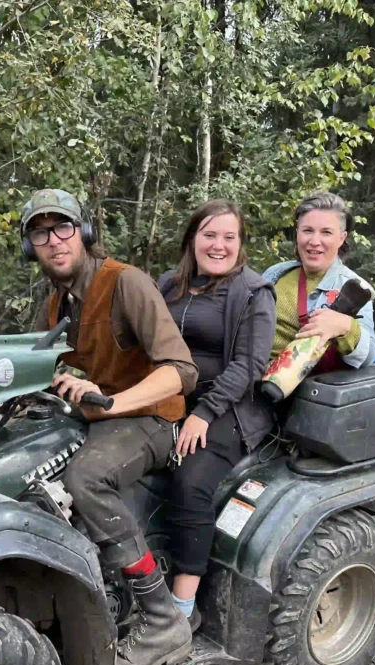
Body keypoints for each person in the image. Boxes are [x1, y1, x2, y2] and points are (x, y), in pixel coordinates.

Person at [25, 188, 197, 665]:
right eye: (41, 233)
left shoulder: (126, 284)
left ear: (84, 233)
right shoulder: (56, 305)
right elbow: (42, 369)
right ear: (30, 247)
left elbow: (181, 370)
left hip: (153, 420)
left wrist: (113, 402)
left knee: (86, 478)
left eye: (62, 228)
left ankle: (163, 618)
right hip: (99, 418)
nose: (54, 241)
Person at [157, 200, 277, 630]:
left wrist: (203, 414)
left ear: (241, 243)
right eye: (209, 235)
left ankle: (182, 609)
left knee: (190, 481)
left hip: (230, 407)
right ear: (193, 238)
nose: (218, 245)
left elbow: (249, 366)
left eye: (229, 237)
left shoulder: (252, 292)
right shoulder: (169, 284)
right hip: (168, 397)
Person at [262, 191, 375, 375]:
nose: (315, 241)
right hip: (252, 377)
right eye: (307, 230)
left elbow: (368, 355)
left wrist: (346, 327)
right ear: (297, 233)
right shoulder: (275, 273)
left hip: (296, 391)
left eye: (326, 232)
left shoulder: (355, 289)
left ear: (341, 238)